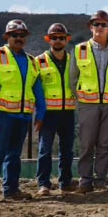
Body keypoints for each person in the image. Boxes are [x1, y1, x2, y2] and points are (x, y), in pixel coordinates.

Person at [0, 19, 46, 203]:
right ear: (7, 37)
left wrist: (40, 113)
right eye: (15, 35)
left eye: (22, 36)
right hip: (1, 114)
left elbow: (37, 89)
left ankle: (11, 190)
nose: (19, 38)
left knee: (14, 155)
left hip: (23, 116)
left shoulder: (32, 61)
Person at [70, 10, 108, 193]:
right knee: (87, 143)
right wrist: (82, 99)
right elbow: (72, 79)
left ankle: (101, 180)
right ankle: (85, 181)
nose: (100, 28)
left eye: (103, 25)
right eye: (96, 24)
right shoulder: (80, 50)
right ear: (90, 27)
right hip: (87, 104)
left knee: (104, 144)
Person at [35, 23, 76, 196]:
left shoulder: (73, 61)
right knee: (45, 149)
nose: (57, 41)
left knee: (67, 149)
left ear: (67, 39)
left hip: (68, 111)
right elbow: (34, 88)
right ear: (48, 39)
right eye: (54, 37)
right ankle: (43, 184)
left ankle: (65, 182)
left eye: (61, 37)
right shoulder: (39, 61)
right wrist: (38, 113)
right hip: (48, 113)